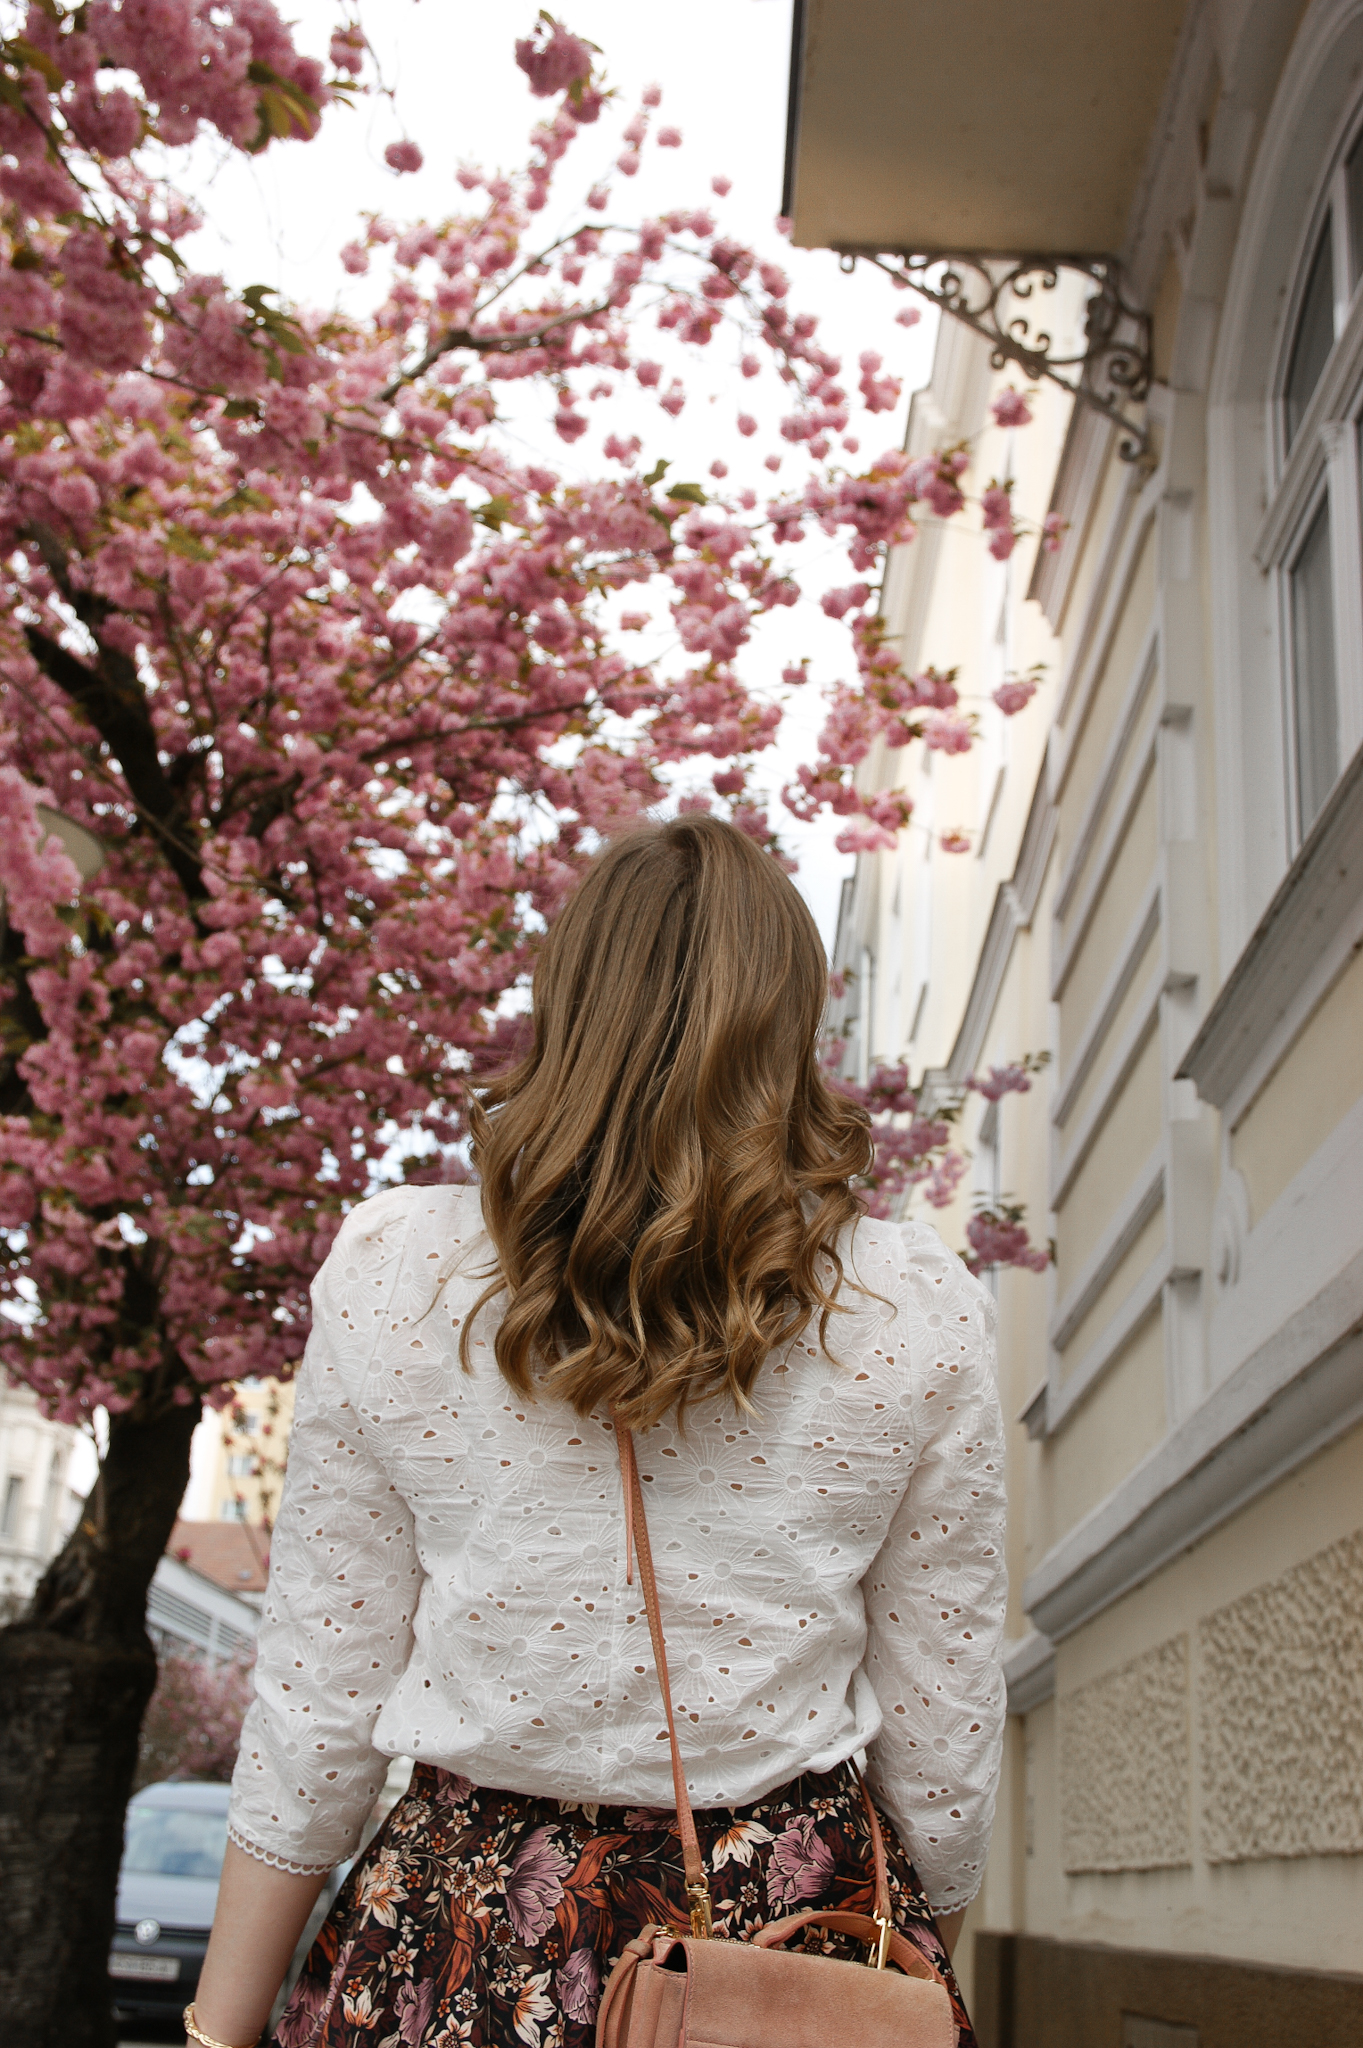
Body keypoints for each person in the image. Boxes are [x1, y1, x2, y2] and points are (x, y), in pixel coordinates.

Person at [191, 814, 1005, 2048]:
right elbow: (941, 1753)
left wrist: (216, 2026)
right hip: (785, 1924)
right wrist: (898, 1957)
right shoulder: (909, 1305)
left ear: (564, 1002)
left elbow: (317, 1710)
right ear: (791, 1025)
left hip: (458, 1939)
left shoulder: (397, 1274)